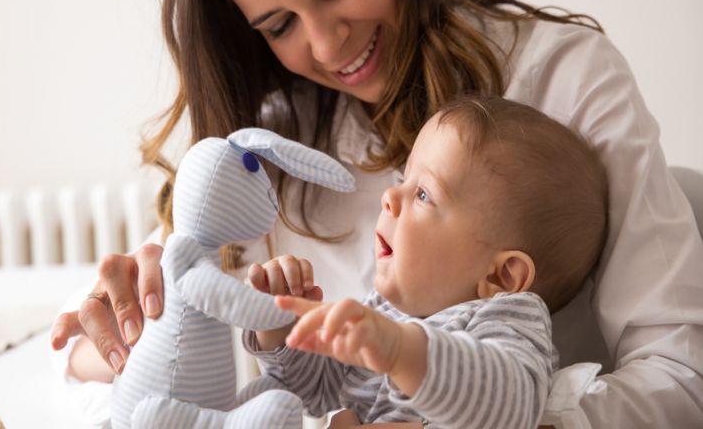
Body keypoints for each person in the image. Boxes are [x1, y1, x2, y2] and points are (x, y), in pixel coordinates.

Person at [49, 0, 703, 426]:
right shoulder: (265, 145)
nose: (326, 44)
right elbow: (83, 356)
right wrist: (132, 329)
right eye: (278, 24)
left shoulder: (564, 78)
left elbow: (680, 379)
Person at [242, 95, 607, 427]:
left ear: (502, 276)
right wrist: (278, 327)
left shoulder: (505, 319)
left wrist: (403, 351)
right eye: (404, 179)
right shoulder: (386, 312)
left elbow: (513, 406)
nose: (389, 196)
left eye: (422, 194)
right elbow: (315, 392)